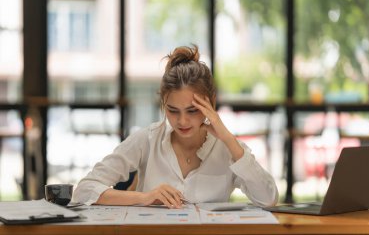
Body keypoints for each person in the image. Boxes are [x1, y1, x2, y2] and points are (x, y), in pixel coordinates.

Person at [73, 45, 278, 209]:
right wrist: (145, 197)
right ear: (163, 104)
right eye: (172, 111)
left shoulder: (227, 148)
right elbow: (84, 189)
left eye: (192, 110)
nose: (182, 121)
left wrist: (228, 139)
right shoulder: (147, 140)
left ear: (211, 103)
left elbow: (268, 199)